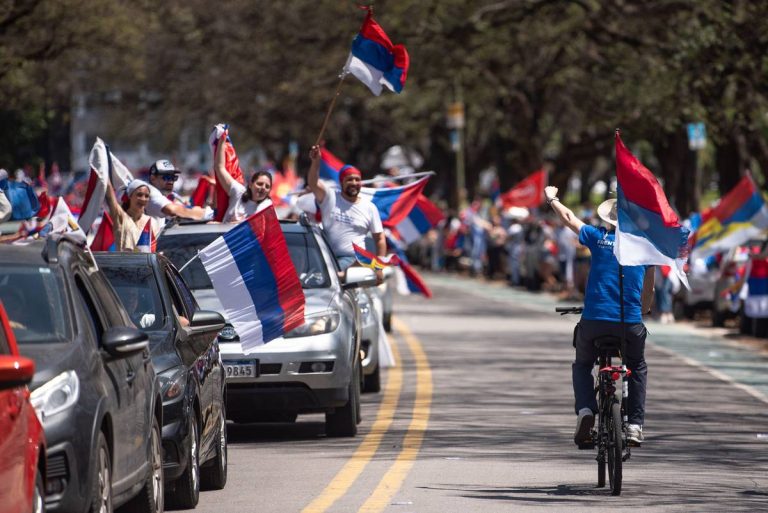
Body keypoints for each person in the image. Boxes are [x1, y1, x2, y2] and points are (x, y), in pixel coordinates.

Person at [545, 186, 655, 447]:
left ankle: (585, 410)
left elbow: (570, 218)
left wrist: (552, 198)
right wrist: (643, 310)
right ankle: (635, 425)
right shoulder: (644, 248)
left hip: (593, 321)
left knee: (583, 364)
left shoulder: (597, 237)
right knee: (636, 367)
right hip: (629, 323)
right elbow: (648, 289)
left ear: (609, 220)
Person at [307, 145, 385, 284]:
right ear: (341, 182)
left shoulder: (369, 208)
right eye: (349, 179)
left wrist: (379, 267)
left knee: (330, 279)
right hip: (325, 258)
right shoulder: (330, 198)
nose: (354, 183)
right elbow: (313, 183)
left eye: (357, 179)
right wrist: (316, 162)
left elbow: (379, 239)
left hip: (352, 262)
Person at [214, 133, 273, 222]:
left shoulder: (267, 205)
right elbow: (220, 168)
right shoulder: (238, 192)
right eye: (260, 184)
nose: (263, 188)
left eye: (267, 186)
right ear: (250, 184)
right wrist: (222, 140)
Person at [144, 160, 209, 230]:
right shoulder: (149, 192)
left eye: (173, 177)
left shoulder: (168, 195)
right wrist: (207, 214)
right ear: (153, 178)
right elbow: (172, 210)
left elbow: (184, 208)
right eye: (167, 177)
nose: (171, 181)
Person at [105, 179, 152, 252]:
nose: (143, 199)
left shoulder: (151, 222)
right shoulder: (121, 217)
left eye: (147, 196)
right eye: (139, 195)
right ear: (130, 196)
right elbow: (109, 194)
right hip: (123, 262)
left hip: (145, 263)